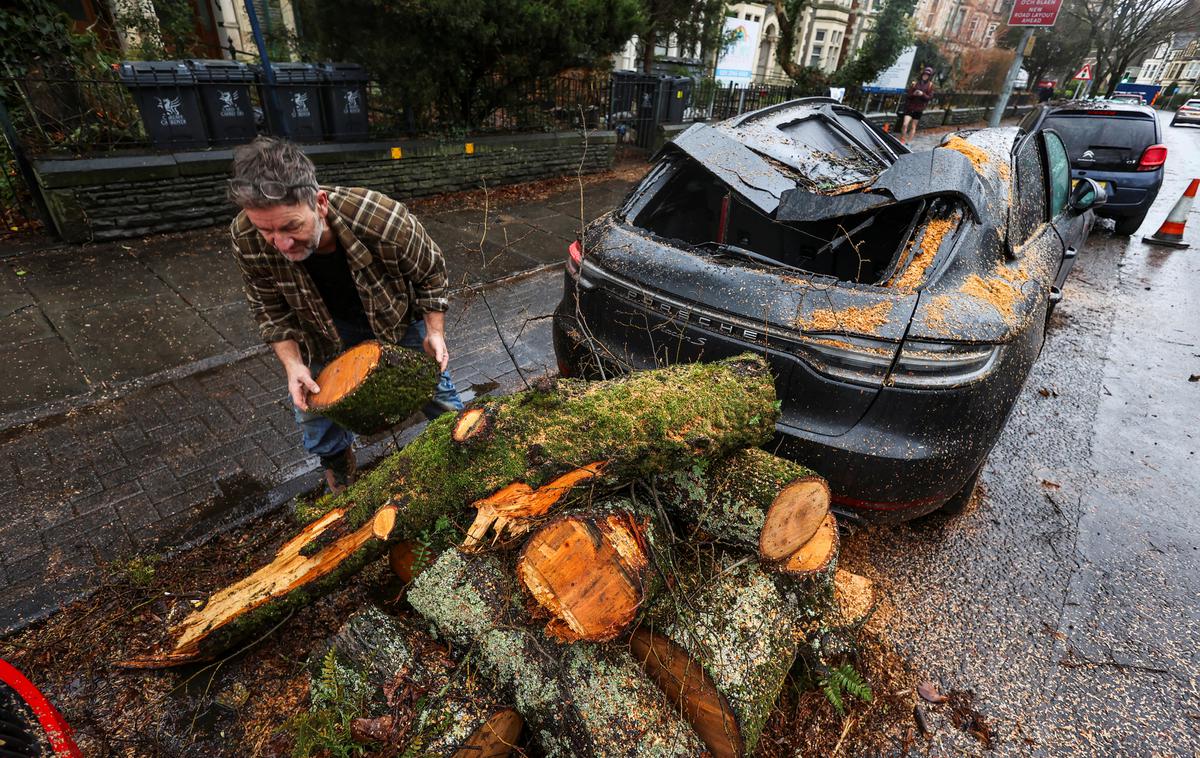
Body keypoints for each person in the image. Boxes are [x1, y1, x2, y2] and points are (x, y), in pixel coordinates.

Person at [228, 137, 463, 494]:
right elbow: (269, 310)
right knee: (315, 418)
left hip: (395, 321)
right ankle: (342, 485)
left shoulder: (382, 218)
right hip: (319, 335)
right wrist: (293, 366)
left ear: (319, 203)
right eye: (267, 230)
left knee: (441, 399)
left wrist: (435, 331)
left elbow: (431, 272)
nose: (281, 243)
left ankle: (467, 457)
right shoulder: (245, 237)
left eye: (291, 226)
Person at [902, 67, 936, 144]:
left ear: (929, 76)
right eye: (924, 74)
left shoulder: (930, 85)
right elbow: (908, 95)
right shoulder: (915, 83)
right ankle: (903, 140)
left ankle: (909, 143)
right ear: (922, 74)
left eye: (927, 75)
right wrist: (914, 94)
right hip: (910, 108)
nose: (925, 76)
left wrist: (922, 94)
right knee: (905, 124)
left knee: (913, 126)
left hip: (919, 109)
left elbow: (929, 97)